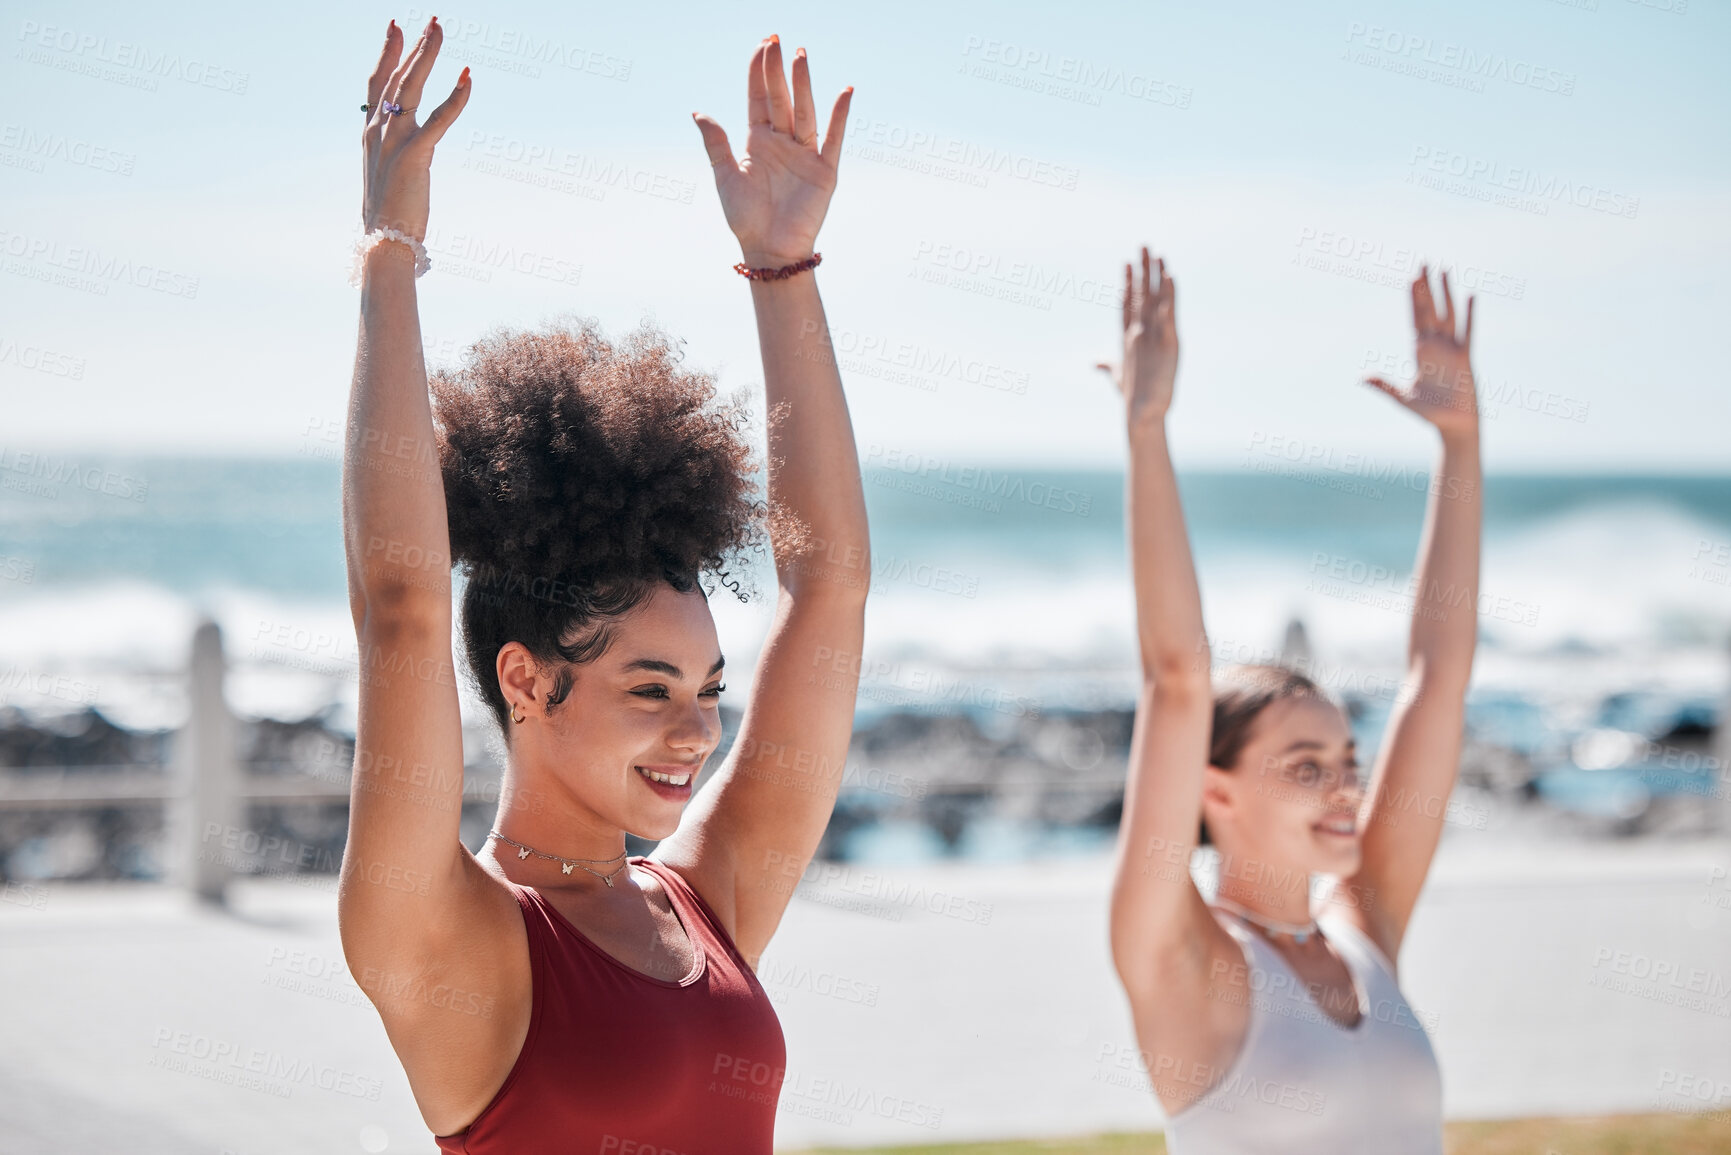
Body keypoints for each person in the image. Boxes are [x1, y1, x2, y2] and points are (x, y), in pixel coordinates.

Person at [338, 18, 866, 1152]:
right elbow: (402, 610)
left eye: (710, 689)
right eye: (650, 688)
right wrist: (390, 250)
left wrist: (782, 269)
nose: (697, 731)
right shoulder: (449, 938)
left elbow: (828, 595)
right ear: (524, 680)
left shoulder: (707, 897)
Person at [1102, 247, 1481, 1152]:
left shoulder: (1364, 923)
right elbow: (1175, 675)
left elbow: (1436, 679)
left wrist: (1460, 446)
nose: (1347, 788)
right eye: (1306, 766)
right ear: (1214, 789)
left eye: (1346, 762)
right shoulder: (1180, 955)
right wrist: (1145, 430)